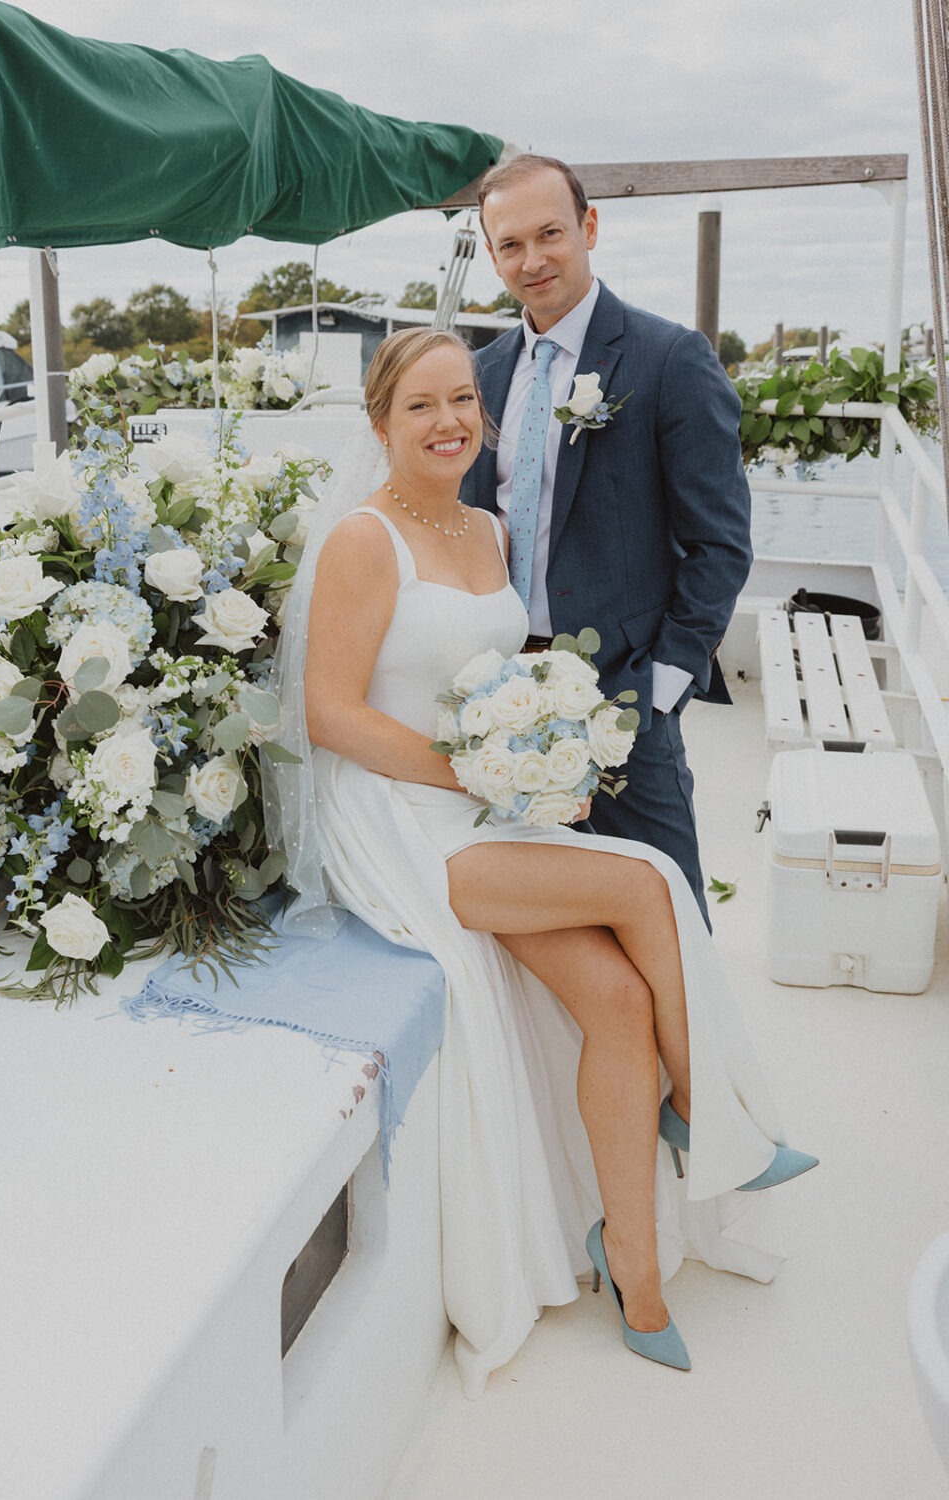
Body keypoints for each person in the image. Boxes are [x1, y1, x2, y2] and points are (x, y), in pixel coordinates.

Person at [271, 326, 815, 1399]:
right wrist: (474, 777)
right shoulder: (361, 541)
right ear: (380, 423)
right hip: (397, 817)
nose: (448, 422)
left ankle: (636, 1267)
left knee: (614, 996)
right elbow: (331, 717)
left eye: (463, 399)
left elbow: (496, 666)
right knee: (646, 877)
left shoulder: (482, 528)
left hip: (480, 799)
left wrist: (545, 745)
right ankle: (708, 1111)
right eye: (420, 405)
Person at [462, 154, 753, 925]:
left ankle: (689, 1050)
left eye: (550, 233)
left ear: (589, 227)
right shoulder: (481, 374)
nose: (533, 260)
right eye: (510, 244)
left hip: (625, 690)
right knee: (539, 920)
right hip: (496, 694)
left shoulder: (668, 358)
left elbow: (720, 543)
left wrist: (660, 686)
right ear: (492, 256)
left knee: (668, 917)